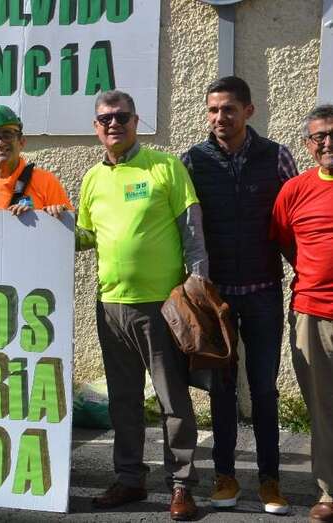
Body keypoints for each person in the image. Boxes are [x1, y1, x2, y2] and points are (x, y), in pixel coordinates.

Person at [77, 90, 206, 521]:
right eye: (105, 118)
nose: (114, 124)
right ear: (96, 127)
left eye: (122, 117)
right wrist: (41, 222)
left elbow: (192, 228)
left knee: (172, 400)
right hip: (110, 304)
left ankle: (181, 485)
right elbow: (86, 237)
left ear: (136, 121)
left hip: (160, 306)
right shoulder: (92, 179)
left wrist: (197, 281)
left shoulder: (165, 167)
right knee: (123, 400)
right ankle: (130, 478)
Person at [181, 76, 297, 514]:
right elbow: (184, 225)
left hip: (264, 293)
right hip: (216, 299)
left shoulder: (277, 156)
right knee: (222, 389)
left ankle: (270, 482)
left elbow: (296, 216)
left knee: (264, 389)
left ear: (248, 111)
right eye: (212, 110)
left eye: (228, 109)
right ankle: (225, 477)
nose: (219, 118)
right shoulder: (192, 160)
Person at [271, 104, 333, 523]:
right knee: (323, 407)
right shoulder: (295, 190)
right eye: (319, 137)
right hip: (312, 312)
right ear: (309, 146)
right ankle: (329, 493)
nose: (327, 142)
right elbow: (284, 243)